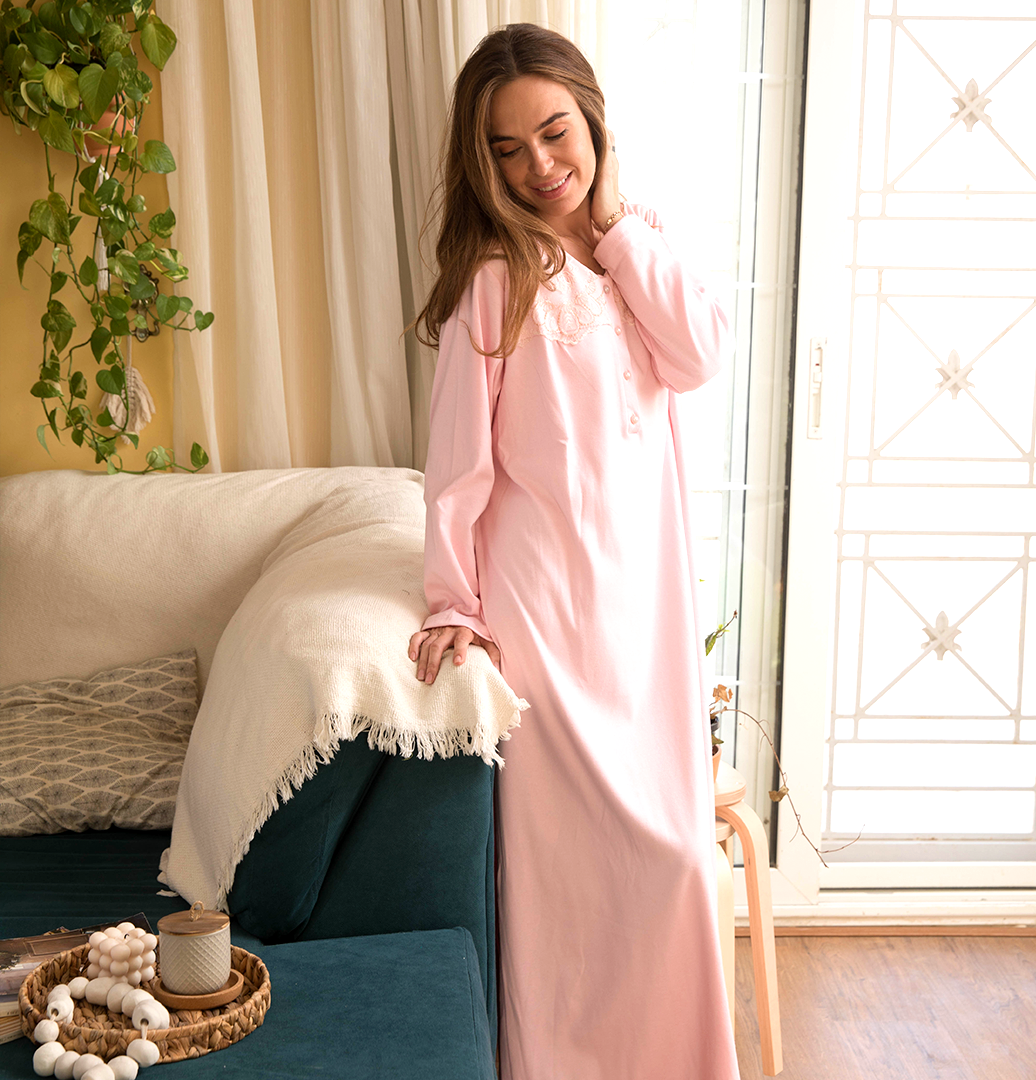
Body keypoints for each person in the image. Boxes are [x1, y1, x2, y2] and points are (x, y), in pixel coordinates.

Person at [408, 23, 740, 1080]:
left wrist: (617, 227)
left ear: (594, 123)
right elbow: (457, 465)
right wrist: (452, 602)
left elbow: (699, 354)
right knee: (579, 898)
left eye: (556, 133)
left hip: (649, 621)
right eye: (508, 149)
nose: (540, 166)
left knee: (678, 871)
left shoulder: (637, 246)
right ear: (484, 163)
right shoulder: (496, 279)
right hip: (547, 624)